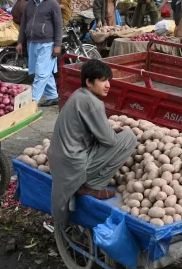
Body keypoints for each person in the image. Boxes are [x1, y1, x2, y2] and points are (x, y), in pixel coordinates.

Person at [47, 59, 137, 224]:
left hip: (60, 161)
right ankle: (93, 186)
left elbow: (93, 131)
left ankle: (86, 184)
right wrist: (113, 133)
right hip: (73, 164)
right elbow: (109, 141)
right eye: (103, 80)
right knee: (129, 138)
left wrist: (109, 131)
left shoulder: (78, 95)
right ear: (89, 82)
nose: (108, 85)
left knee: (117, 136)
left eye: (109, 80)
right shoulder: (93, 102)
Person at [18, 0, 63, 106]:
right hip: (32, 43)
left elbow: (59, 25)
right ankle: (53, 96)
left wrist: (58, 45)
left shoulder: (53, 4)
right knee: (44, 71)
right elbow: (23, 24)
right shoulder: (28, 4)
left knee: (41, 73)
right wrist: (20, 41)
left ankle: (33, 101)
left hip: (47, 43)